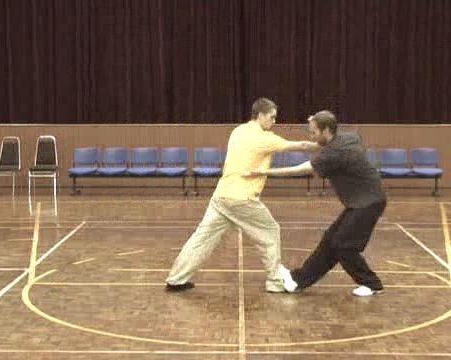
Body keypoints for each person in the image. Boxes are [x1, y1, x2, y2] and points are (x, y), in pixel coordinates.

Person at [166, 98, 320, 293]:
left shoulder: (237, 131)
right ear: (261, 115)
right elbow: (304, 146)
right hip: (242, 199)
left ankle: (176, 279)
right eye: (272, 117)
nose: (274, 122)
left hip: (220, 197)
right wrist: (326, 143)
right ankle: (275, 281)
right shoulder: (266, 139)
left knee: (201, 239)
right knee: (270, 231)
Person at [245, 110, 387, 296]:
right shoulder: (348, 137)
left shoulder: (332, 153)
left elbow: (300, 170)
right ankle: (298, 280)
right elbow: (346, 141)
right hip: (360, 201)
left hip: (369, 203)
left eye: (313, 132)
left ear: (326, 130)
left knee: (343, 245)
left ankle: (372, 284)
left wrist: (263, 172)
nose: (311, 136)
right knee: (330, 239)